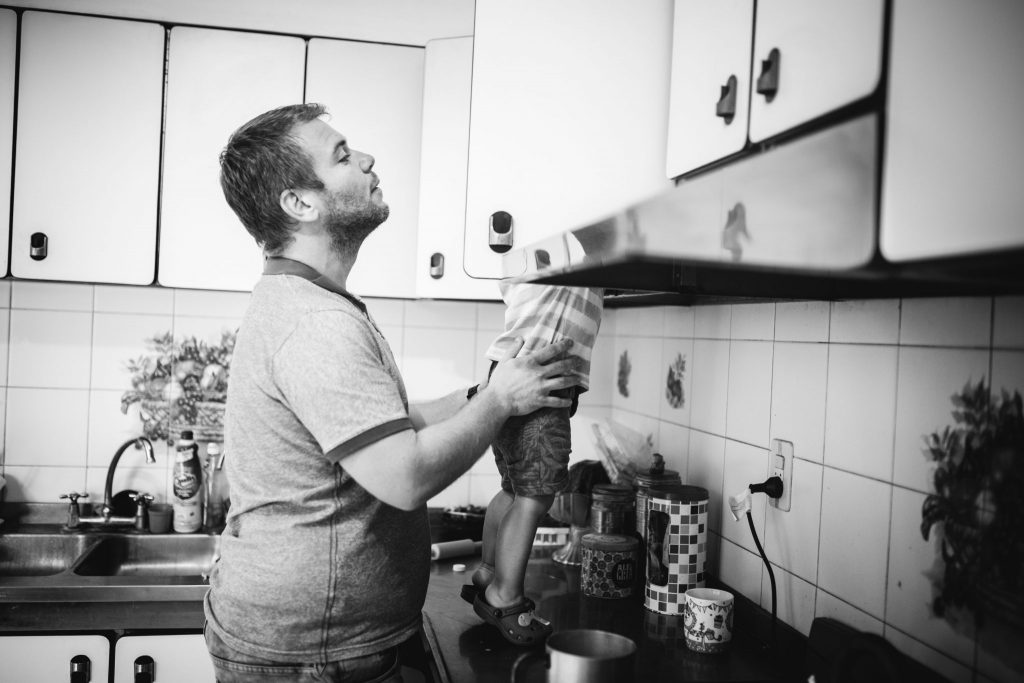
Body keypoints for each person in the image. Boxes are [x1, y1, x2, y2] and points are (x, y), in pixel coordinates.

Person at [204, 102, 580, 682]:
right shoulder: (315, 324)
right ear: (300, 203)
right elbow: (405, 476)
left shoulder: (310, 304)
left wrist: (490, 388)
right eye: (342, 154)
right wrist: (500, 401)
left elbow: (390, 421)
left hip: (323, 645)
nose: (368, 158)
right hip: (316, 657)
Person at [463, 282, 604, 646]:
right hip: (537, 383)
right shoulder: (563, 255)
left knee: (512, 490)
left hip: (506, 376)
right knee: (534, 498)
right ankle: (504, 595)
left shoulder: (537, 267)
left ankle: (489, 573)